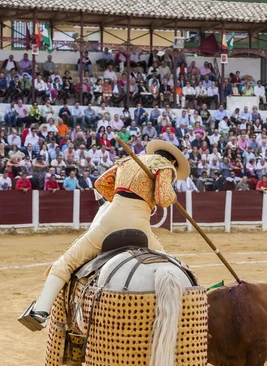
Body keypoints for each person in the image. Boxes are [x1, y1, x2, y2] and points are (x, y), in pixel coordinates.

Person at [19, 140, 190, 331]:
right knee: (169, 262)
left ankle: (40, 312)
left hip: (110, 219)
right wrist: (170, 196)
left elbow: (101, 183)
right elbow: (164, 198)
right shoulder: (166, 166)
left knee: (66, 262)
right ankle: (188, 309)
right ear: (174, 162)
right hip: (139, 225)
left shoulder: (127, 160)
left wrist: (119, 197)